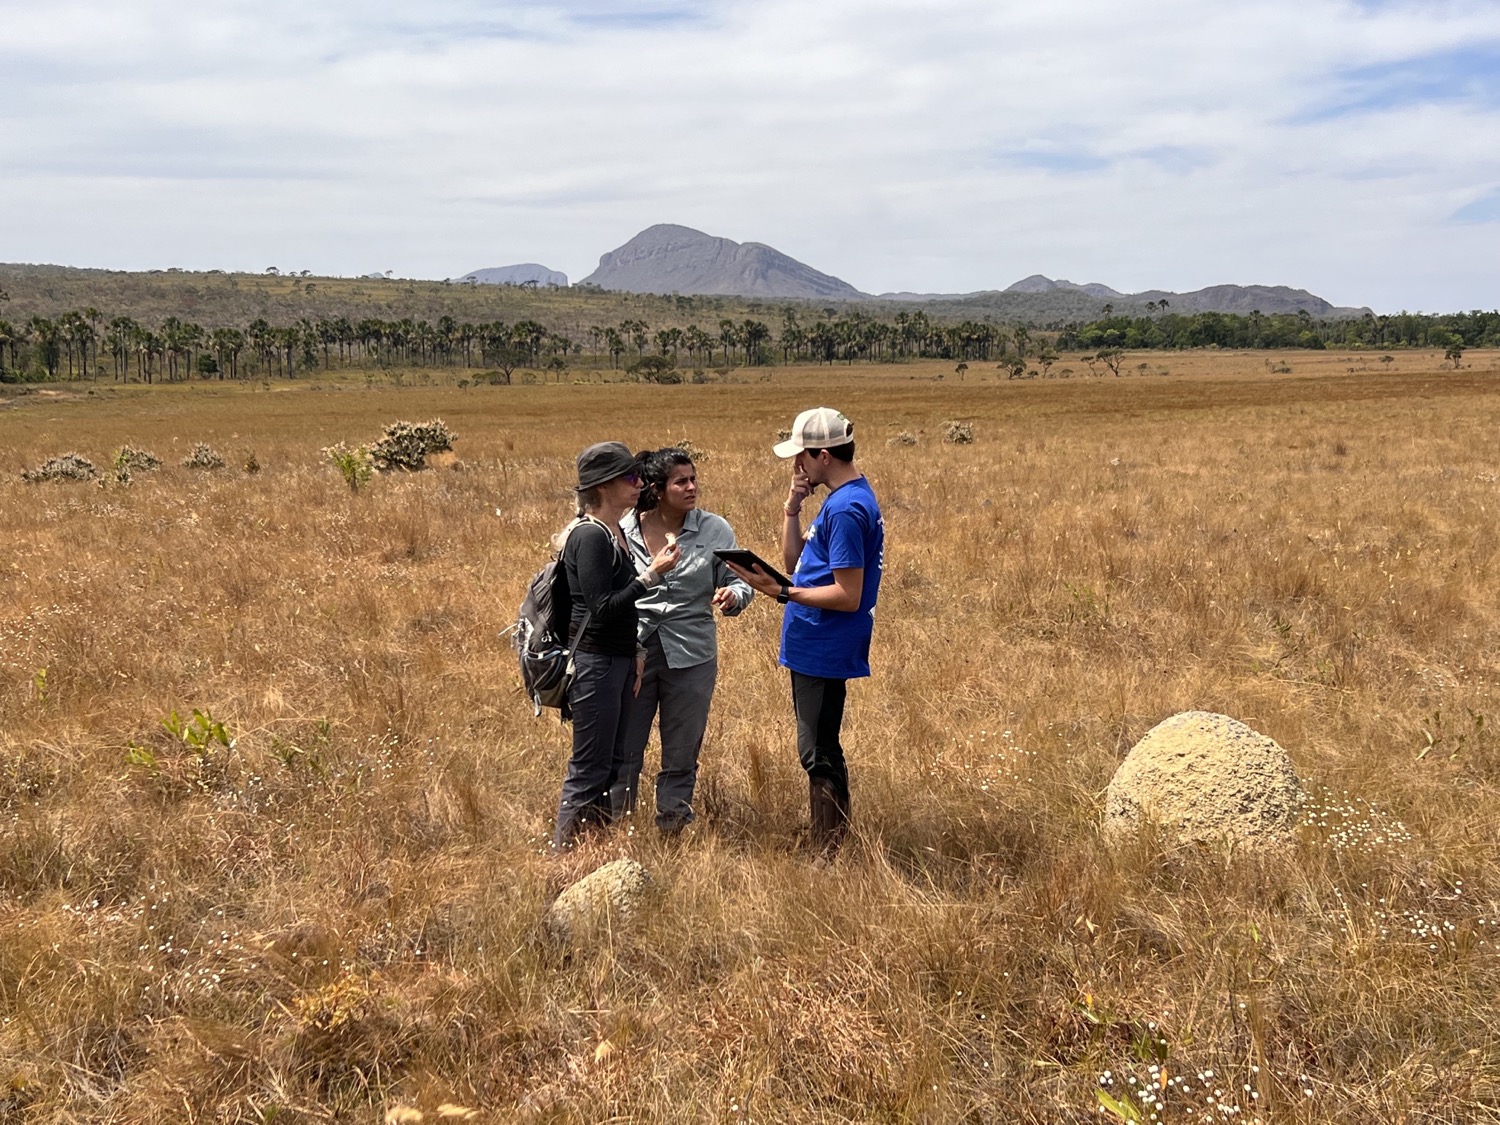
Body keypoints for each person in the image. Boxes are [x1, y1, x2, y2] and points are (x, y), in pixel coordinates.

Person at [725, 408, 883, 861]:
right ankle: (831, 843)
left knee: (817, 749)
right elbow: (794, 562)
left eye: (802, 458)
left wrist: (782, 593)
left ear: (825, 455)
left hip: (824, 645)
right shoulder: (836, 501)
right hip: (812, 642)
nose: (797, 466)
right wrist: (792, 507)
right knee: (819, 743)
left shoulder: (849, 509)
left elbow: (848, 594)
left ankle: (827, 853)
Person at [611, 448, 754, 832]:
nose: (692, 487)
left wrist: (734, 596)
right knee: (624, 747)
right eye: (681, 481)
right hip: (635, 652)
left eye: (693, 479)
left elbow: (740, 579)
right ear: (657, 489)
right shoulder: (622, 531)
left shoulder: (714, 530)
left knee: (682, 749)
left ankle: (673, 824)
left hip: (692, 654)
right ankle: (616, 829)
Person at [554, 441, 679, 849]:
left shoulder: (613, 534)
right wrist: (651, 575)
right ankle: (565, 860)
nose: (639, 483)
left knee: (611, 766)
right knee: (589, 769)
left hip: (619, 661)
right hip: (595, 663)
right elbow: (602, 607)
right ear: (604, 487)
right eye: (630, 477)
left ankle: (597, 855)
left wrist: (637, 655)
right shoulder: (590, 537)